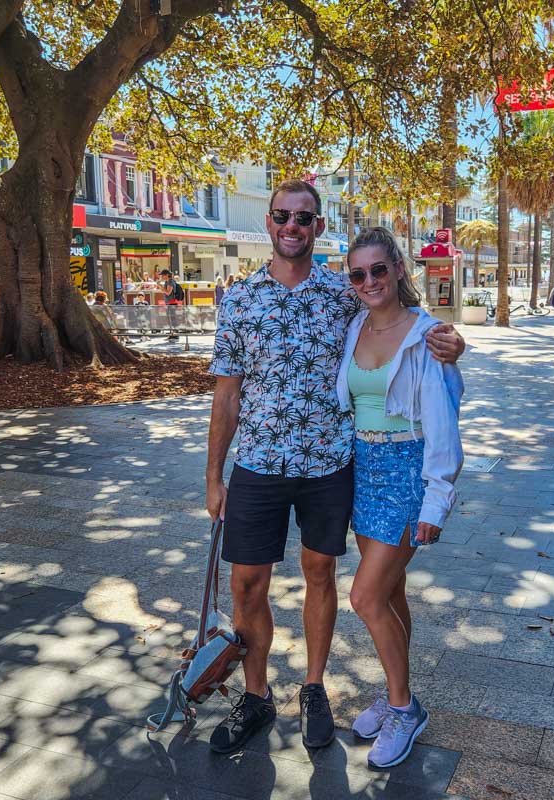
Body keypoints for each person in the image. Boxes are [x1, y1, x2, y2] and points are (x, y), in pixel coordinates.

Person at [205, 179, 463, 755]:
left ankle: (315, 688)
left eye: (304, 218)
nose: (292, 226)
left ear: (319, 227)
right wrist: (213, 475)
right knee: (247, 584)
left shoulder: (342, 293)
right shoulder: (240, 300)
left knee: (322, 575)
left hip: (330, 465)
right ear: (270, 223)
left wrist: (452, 342)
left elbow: (404, 319)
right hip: (258, 464)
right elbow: (226, 394)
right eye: (282, 216)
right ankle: (256, 696)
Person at [333, 227, 463, 769]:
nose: (368, 281)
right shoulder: (353, 326)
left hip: (408, 471)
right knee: (390, 593)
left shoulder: (427, 336)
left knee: (364, 598)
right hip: (362, 471)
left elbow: (444, 420)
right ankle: (394, 695)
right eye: (358, 274)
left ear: (399, 270)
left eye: (378, 270)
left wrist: (437, 500)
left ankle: (405, 709)